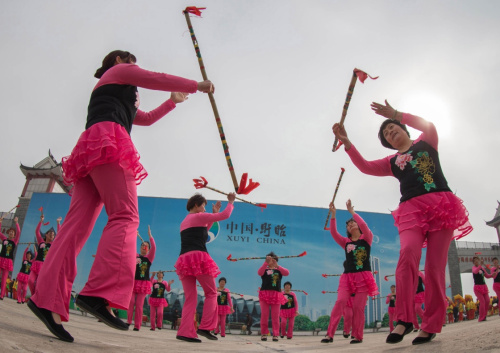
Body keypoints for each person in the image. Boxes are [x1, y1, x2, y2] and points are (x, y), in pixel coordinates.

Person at [28, 50, 214, 343]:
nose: (134, 67)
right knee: (125, 216)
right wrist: (196, 85)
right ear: (119, 61)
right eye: (131, 60)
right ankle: (98, 292)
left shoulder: (116, 91)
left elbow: (146, 118)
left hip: (91, 147)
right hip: (109, 142)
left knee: (76, 228)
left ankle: (45, 299)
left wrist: (172, 102)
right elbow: (155, 77)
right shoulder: (117, 72)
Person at [333, 100, 472, 345]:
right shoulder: (391, 161)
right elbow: (365, 166)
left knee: (434, 269)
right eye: (386, 133)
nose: (390, 132)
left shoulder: (427, 141)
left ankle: (430, 325)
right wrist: (347, 142)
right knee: (407, 254)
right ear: (387, 142)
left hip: (441, 206)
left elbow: (428, 123)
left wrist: (397, 114)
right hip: (411, 212)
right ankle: (404, 320)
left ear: (404, 129)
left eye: (393, 127)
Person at [174, 192, 235, 343]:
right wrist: (231, 202)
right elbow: (225, 215)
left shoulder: (185, 221)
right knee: (212, 293)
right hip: (198, 258)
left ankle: (184, 332)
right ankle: (205, 327)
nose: (204, 209)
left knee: (190, 298)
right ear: (196, 205)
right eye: (203, 205)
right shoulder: (199, 216)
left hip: (184, 259)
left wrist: (213, 214)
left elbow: (204, 231)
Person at [321, 200, 378, 345]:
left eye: (352, 223)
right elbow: (333, 232)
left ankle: (357, 335)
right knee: (340, 301)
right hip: (347, 277)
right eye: (348, 224)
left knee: (358, 308)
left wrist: (352, 212)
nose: (350, 225)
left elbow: (365, 226)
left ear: (358, 226)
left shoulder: (367, 239)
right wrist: (333, 215)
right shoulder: (346, 242)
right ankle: (330, 335)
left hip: (363, 277)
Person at [127, 227, 156, 331]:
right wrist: (134, 235)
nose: (144, 247)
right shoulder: (135, 255)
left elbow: (154, 248)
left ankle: (137, 325)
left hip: (144, 283)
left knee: (139, 305)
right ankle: (128, 321)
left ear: (148, 249)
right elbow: (130, 245)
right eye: (143, 245)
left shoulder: (149, 258)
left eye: (146, 246)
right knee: (130, 302)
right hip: (133, 281)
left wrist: (150, 236)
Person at [258, 251, 289, 342]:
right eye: (269, 259)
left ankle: (275, 334)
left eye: (273, 259)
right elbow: (259, 273)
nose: (271, 261)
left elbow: (287, 273)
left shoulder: (279, 270)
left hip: (276, 295)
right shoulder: (265, 269)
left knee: (275, 316)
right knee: (264, 315)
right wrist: (265, 263)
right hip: (265, 294)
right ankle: (264, 333)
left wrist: (277, 266)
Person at [28, 216, 60, 296]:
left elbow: (60, 235)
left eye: (53, 235)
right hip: (36, 264)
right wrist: (40, 221)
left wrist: (58, 223)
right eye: (50, 234)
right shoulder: (41, 242)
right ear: (46, 235)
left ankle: (36, 298)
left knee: (39, 284)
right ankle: (33, 296)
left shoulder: (53, 245)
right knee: (30, 281)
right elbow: (37, 231)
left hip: (45, 266)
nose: (52, 235)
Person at [0, 216, 20, 299]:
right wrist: (0, 222)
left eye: (13, 232)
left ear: (14, 235)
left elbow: (19, 232)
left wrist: (16, 223)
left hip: (8, 261)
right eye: (10, 232)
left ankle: (1, 295)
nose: (11, 233)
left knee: (4, 278)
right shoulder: (4, 239)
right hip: (1, 259)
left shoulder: (14, 241)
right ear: (8, 233)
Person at [472, 256, 493, 322]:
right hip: (477, 287)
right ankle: (481, 317)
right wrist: (480, 265)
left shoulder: (482, 269)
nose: (476, 261)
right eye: (475, 261)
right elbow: (475, 272)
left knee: (487, 300)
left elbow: (487, 276)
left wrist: (492, 275)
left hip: (484, 287)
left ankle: (484, 315)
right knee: (482, 301)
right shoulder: (474, 268)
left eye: (477, 260)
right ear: (473, 262)